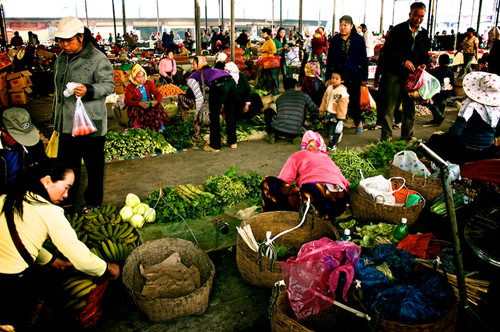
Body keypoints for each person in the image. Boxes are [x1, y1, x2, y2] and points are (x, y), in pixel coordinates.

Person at [0, 159, 120, 331]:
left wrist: (53, 261)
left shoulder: (6, 198)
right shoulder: (50, 213)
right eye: (66, 187)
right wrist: (108, 268)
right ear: (47, 181)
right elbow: (81, 258)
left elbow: (18, 241)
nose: (66, 196)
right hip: (11, 284)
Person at [51, 16, 114, 209]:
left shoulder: (97, 58)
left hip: (90, 125)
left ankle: (93, 203)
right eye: (61, 40)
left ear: (80, 37)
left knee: (94, 168)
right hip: (67, 124)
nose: (64, 45)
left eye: (68, 40)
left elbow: (108, 85)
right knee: (68, 167)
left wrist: (89, 90)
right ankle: (67, 201)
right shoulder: (62, 58)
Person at [260, 130, 350, 221]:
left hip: (313, 201)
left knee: (268, 182)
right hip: (339, 206)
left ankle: (269, 218)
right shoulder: (329, 160)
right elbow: (347, 184)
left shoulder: (298, 155)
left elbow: (284, 180)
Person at [378, 2, 430, 142]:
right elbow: (387, 52)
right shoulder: (398, 30)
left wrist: (423, 64)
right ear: (410, 14)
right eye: (415, 16)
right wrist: (403, 61)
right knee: (389, 107)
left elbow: (425, 53)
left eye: (421, 16)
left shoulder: (423, 33)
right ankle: (386, 139)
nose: (418, 19)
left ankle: (407, 137)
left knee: (409, 107)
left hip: (412, 78)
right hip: (394, 74)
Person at [427, 72, 500, 165]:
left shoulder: (470, 106)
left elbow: (456, 132)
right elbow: (497, 131)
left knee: (435, 139)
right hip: (486, 147)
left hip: (464, 147)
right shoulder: (498, 109)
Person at [325, 15, 368, 135]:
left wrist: (364, 77)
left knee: (354, 100)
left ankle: (358, 122)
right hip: (338, 76)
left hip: (354, 75)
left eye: (345, 25)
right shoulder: (335, 40)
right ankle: (336, 125)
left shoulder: (358, 39)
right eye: (340, 25)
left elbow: (364, 60)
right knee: (336, 100)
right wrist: (328, 77)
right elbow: (330, 59)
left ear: (350, 26)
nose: (342, 27)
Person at [187, 55, 237, 152]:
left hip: (218, 85)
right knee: (230, 112)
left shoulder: (192, 77)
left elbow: (199, 98)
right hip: (231, 82)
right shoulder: (213, 71)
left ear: (199, 64)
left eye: (193, 64)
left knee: (214, 114)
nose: (192, 66)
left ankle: (215, 146)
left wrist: (197, 114)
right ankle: (233, 142)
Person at [1, 108, 46, 194]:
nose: (23, 142)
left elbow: (42, 163)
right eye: (18, 137)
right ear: (3, 132)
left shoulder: (34, 144)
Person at [264, 77, 319, 143]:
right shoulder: (304, 96)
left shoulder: (280, 97)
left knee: (267, 111)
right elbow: (315, 111)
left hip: (277, 129)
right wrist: (310, 120)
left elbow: (279, 112)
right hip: (295, 131)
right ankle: (297, 137)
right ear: (295, 86)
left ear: (284, 88)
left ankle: (272, 135)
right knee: (301, 110)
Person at [124, 64, 167, 131]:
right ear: (134, 78)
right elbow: (127, 101)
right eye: (138, 77)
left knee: (158, 107)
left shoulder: (148, 83)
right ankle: (138, 128)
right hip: (137, 106)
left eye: (142, 77)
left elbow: (158, 94)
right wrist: (139, 103)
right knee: (137, 112)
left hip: (148, 103)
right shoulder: (130, 87)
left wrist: (156, 101)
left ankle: (160, 125)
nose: (141, 79)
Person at [319, 70, 349, 151]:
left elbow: (343, 105)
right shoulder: (329, 88)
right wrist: (322, 109)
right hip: (328, 112)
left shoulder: (342, 91)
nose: (334, 80)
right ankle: (333, 139)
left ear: (342, 80)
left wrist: (341, 117)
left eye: (336, 79)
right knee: (327, 127)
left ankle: (332, 144)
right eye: (332, 78)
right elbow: (324, 99)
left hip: (336, 114)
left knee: (333, 129)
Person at [428, 54, 454, 126]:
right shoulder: (450, 71)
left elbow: (434, 81)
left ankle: (439, 117)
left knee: (433, 104)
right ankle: (439, 118)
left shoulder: (438, 71)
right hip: (446, 92)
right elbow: (452, 82)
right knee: (442, 106)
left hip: (438, 92)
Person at [255, 27, 279, 96]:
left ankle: (274, 93)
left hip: (269, 62)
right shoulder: (266, 41)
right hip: (265, 62)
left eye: (262, 33)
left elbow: (274, 51)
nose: (261, 34)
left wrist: (264, 51)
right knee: (264, 77)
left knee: (271, 78)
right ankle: (261, 91)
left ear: (266, 33)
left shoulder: (270, 41)